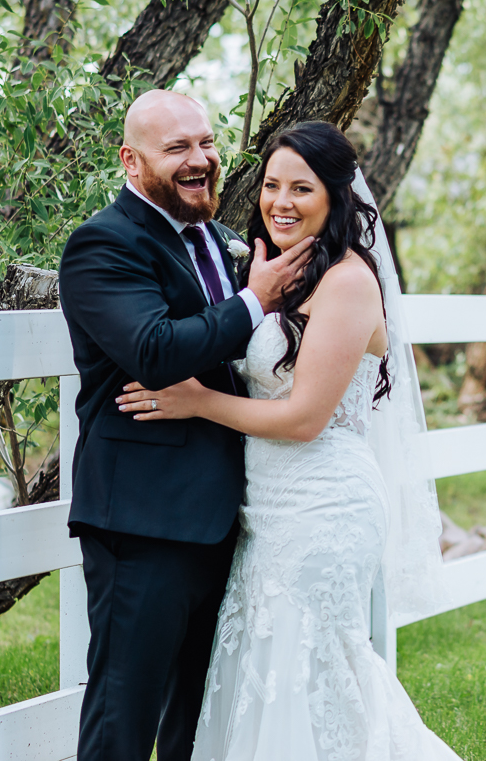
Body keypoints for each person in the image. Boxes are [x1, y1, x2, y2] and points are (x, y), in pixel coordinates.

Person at [115, 121, 458, 761]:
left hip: (324, 507)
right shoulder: (279, 273)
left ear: (335, 196)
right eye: (272, 185)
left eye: (302, 188)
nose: (281, 202)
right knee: (262, 673)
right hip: (266, 510)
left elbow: (304, 418)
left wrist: (195, 402)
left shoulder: (348, 282)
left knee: (315, 673)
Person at [59, 90, 310, 761]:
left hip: (228, 517)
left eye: (205, 143)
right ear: (130, 161)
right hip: (142, 522)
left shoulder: (229, 244)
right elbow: (155, 349)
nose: (200, 160)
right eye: (178, 150)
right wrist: (256, 299)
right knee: (123, 718)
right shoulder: (102, 245)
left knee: (198, 726)